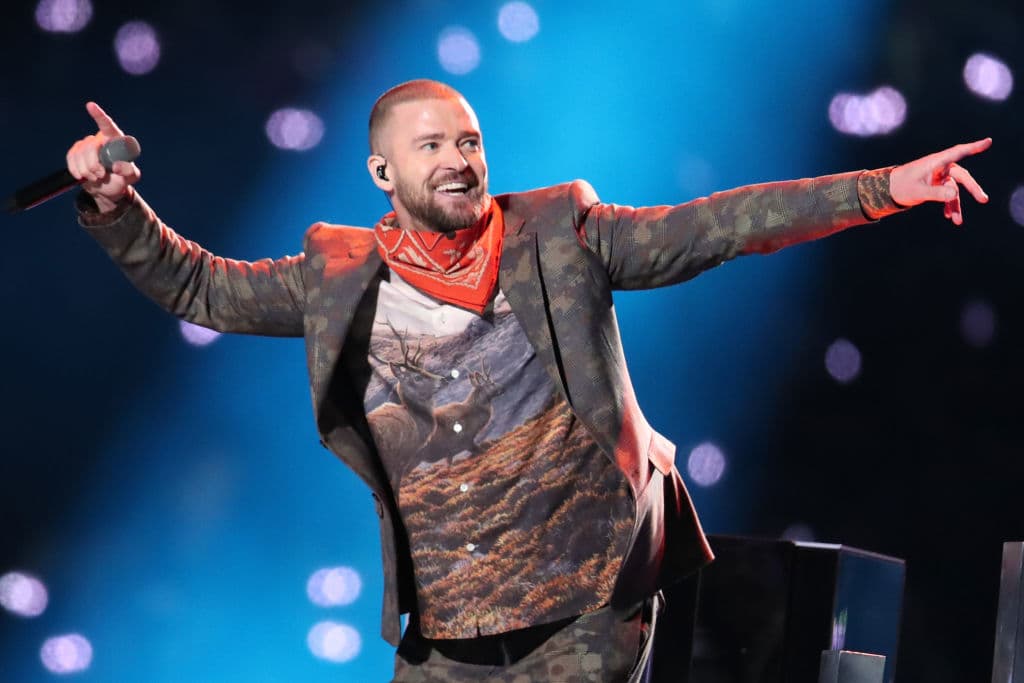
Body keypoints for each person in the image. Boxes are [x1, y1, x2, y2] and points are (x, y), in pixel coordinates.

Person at [66, 79, 990, 682]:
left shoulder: (561, 233)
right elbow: (201, 286)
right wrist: (117, 208)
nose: (461, 160)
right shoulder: (337, 277)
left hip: (584, 598)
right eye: (432, 146)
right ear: (382, 170)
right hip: (449, 619)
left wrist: (880, 188)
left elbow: (719, 224)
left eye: (469, 140)